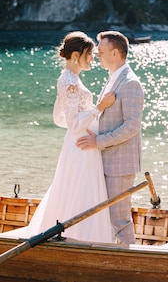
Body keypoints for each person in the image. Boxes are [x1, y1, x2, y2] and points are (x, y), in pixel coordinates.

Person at [24, 31, 116, 243]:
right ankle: (80, 237)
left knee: (79, 188)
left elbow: (60, 118)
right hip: (80, 145)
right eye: (89, 54)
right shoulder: (69, 81)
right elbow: (73, 123)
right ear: (76, 55)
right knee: (80, 189)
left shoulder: (70, 79)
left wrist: (89, 125)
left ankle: (80, 236)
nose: (92, 59)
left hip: (82, 142)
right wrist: (98, 109)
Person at [76, 31, 144, 244]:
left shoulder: (130, 83)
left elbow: (131, 127)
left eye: (101, 51)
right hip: (106, 162)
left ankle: (128, 266)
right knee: (106, 219)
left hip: (119, 164)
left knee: (119, 220)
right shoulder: (114, 79)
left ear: (115, 53)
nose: (97, 55)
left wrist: (98, 141)